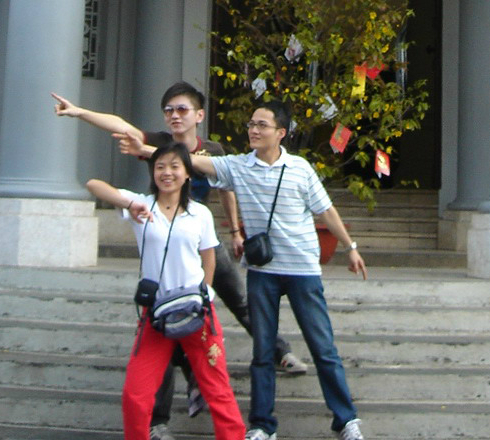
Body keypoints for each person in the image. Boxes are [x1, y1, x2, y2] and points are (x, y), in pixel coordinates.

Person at [52, 83, 306, 438]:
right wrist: (79, 112)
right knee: (159, 358)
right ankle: (160, 419)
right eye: (169, 110)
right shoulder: (154, 166)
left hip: (200, 238)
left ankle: (279, 351)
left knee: (239, 301)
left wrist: (235, 231)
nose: (174, 116)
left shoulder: (211, 154)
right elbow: (118, 128)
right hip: (162, 268)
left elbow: (226, 191)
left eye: (182, 109)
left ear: (199, 115)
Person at [181, 98, 368, 440]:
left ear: (281, 133)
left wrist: (350, 247)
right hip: (262, 272)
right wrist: (149, 149)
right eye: (251, 124)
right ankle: (262, 425)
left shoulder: (300, 168)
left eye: (261, 125)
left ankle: (346, 420)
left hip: (303, 270)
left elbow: (326, 211)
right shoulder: (239, 166)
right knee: (263, 352)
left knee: (323, 349)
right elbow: (192, 161)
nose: (253, 130)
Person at [86, 141, 244, 440]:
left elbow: (209, 256)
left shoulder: (199, 214)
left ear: (188, 174)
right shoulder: (142, 205)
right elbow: (94, 184)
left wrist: (206, 293)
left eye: (174, 166)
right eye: (160, 167)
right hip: (156, 314)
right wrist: (130, 205)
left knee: (217, 390)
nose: (167, 173)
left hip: (197, 312)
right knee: (136, 393)